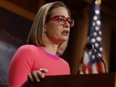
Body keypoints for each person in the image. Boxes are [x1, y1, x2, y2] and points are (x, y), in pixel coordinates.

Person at [8, 1, 74, 87]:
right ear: (44, 25)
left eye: (69, 21)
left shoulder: (65, 66)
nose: (67, 25)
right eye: (61, 19)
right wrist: (30, 85)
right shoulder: (27, 52)